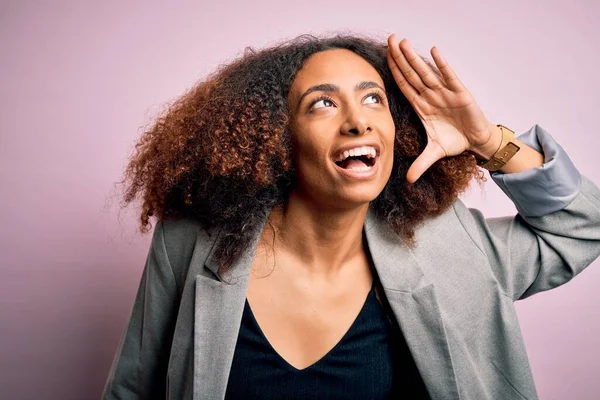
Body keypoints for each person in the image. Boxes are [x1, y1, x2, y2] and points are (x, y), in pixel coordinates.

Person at [102, 32, 600, 400]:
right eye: (322, 104)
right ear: (276, 138)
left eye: (373, 99)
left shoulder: (449, 245)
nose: (357, 120)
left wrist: (489, 142)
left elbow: (581, 227)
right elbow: (132, 389)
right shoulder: (190, 242)